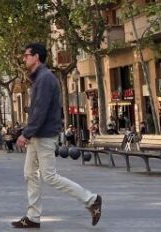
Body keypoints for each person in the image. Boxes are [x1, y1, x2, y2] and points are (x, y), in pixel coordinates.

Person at [11, 43, 102, 229]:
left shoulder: (44, 79)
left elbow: (40, 111)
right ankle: (33, 217)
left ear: (36, 57)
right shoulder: (39, 78)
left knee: (49, 176)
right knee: (30, 174)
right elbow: (37, 110)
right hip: (39, 135)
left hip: (44, 135)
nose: (24, 58)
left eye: (26, 55)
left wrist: (26, 133)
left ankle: (91, 199)